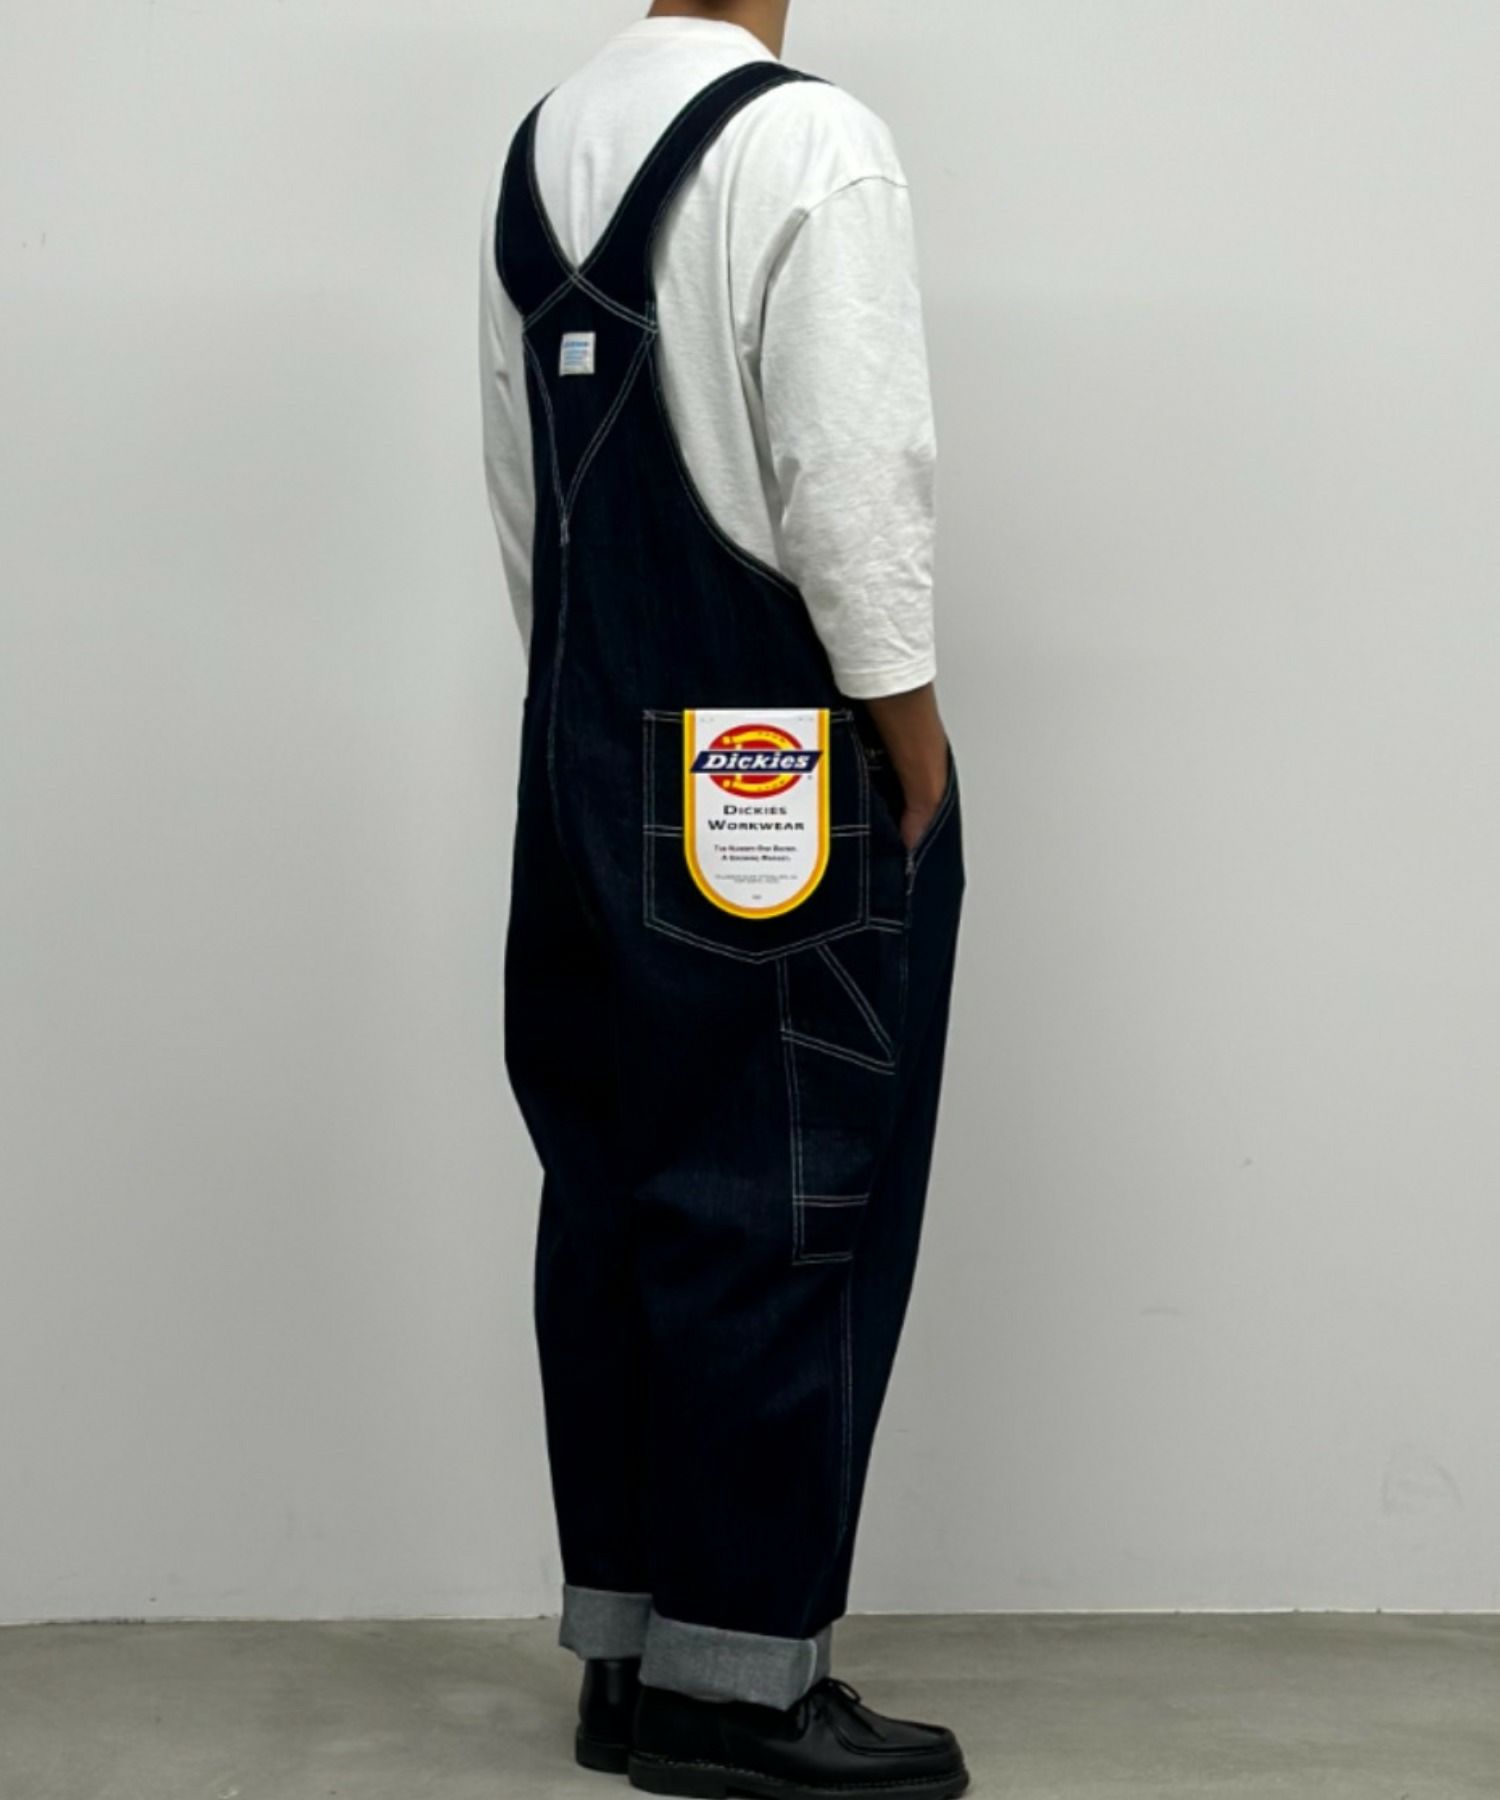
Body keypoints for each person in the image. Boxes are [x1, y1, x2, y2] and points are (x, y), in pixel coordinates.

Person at [477, 3, 967, 1793]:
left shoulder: (543, 147)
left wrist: (605, 730)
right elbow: (853, 474)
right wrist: (906, 727)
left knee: (612, 1190)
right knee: (788, 1192)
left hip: (587, 750)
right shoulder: (809, 139)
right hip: (777, 762)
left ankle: (629, 1654)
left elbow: (524, 494)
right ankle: (742, 1692)